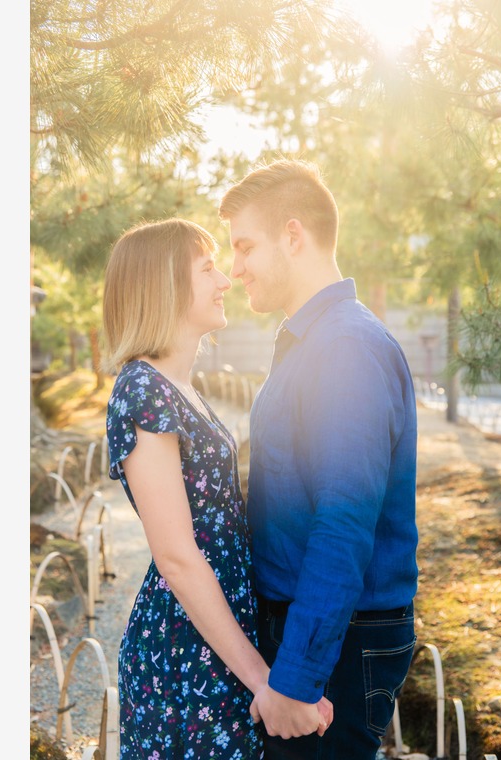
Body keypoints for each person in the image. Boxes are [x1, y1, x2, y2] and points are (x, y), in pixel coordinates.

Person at [102, 218, 332, 759]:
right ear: (165, 286)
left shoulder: (180, 387)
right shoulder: (142, 389)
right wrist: (265, 683)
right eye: (208, 269)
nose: (226, 279)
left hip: (218, 641)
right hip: (184, 657)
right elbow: (177, 557)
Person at [218, 160, 420, 759]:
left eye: (244, 246)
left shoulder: (346, 348)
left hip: (337, 641)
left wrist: (296, 679)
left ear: (293, 235)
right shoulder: (315, 341)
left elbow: (344, 522)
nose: (235, 268)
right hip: (318, 627)